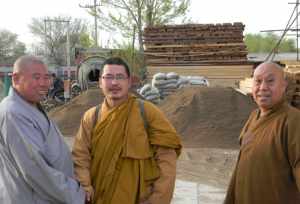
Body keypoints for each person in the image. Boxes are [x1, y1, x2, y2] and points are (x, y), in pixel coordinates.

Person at [72, 57, 182, 204]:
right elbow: (80, 157)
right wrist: (85, 187)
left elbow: (167, 161)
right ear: (100, 82)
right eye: (108, 77)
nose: (115, 83)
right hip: (100, 197)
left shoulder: (148, 113)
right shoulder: (91, 117)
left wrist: (157, 199)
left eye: (120, 77)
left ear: (129, 81)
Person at [0, 55, 85, 204]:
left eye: (46, 77)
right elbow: (36, 169)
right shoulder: (13, 112)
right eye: (36, 77)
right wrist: (76, 193)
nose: (44, 83)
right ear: (16, 79)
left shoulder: (30, 105)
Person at [224, 62, 300, 204]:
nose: (263, 87)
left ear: (283, 86)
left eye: (270, 81)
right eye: (258, 81)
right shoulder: (254, 116)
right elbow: (243, 164)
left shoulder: (293, 121)